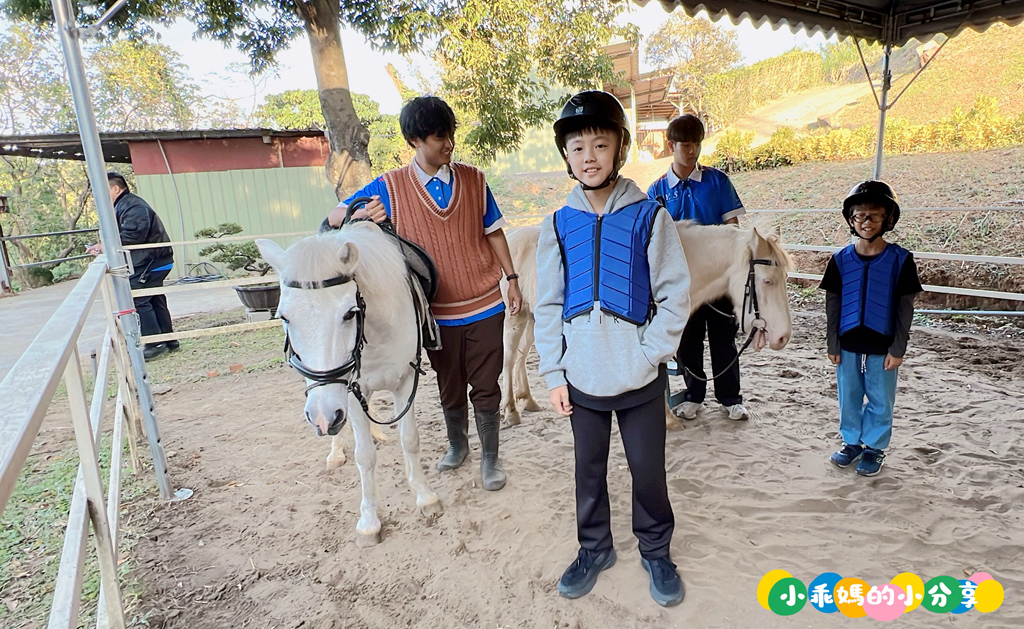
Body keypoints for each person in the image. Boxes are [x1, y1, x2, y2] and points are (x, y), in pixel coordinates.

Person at [534, 90, 690, 607]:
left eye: (600, 145)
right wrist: (555, 373)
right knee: (589, 471)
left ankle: (656, 550)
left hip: (640, 377)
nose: (589, 157)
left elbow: (674, 294)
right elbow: (549, 304)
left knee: (648, 470)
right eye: (577, 148)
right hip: (583, 378)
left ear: (619, 148)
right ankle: (594, 548)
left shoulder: (651, 216)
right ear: (566, 157)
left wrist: (650, 352)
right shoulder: (557, 224)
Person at [324, 95, 521, 492]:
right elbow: (328, 223)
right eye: (437, 137)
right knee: (449, 384)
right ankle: (457, 445)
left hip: (485, 302)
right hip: (433, 312)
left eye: (450, 135)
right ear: (415, 140)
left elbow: (494, 232)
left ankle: (490, 457)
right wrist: (361, 214)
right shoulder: (389, 187)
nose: (448, 144)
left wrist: (511, 278)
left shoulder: (474, 179)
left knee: (487, 384)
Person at [647, 114, 750, 421]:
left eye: (696, 144)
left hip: (717, 279)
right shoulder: (656, 191)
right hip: (681, 284)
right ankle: (694, 395)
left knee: (723, 339)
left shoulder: (718, 182)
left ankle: (731, 398)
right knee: (687, 341)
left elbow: (733, 228)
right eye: (685, 144)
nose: (692, 151)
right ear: (671, 145)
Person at [819, 181, 922, 477]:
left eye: (874, 216)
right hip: (848, 342)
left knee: (880, 397)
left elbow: (905, 308)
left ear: (887, 219)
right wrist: (832, 344)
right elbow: (833, 306)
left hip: (883, 345)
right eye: (859, 216)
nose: (866, 222)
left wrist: (898, 349)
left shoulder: (901, 260)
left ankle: (874, 447)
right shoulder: (840, 260)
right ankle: (851, 442)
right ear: (851, 219)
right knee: (848, 395)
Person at [87, 172, 177, 360]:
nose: (98, 197)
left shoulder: (132, 205)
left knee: (138, 296)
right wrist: (103, 246)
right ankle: (168, 339)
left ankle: (154, 343)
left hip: (152, 260)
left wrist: (106, 246)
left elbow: (134, 235)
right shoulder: (126, 204)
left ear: (115, 188)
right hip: (154, 259)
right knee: (153, 298)